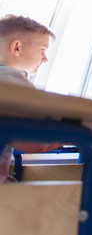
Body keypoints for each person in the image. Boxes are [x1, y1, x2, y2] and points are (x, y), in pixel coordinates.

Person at [0, 14, 61, 184]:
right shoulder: (13, 82)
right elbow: (33, 141)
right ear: (17, 48)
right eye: (42, 50)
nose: (45, 59)